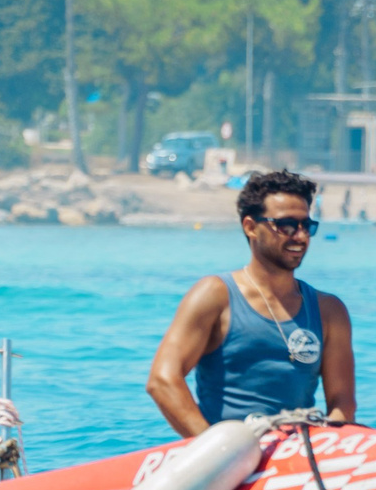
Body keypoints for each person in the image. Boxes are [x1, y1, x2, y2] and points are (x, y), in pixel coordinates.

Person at [146, 168, 356, 438]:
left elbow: (342, 404)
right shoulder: (214, 295)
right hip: (226, 452)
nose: (301, 236)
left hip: (298, 451)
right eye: (286, 225)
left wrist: (326, 443)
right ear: (250, 227)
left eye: (307, 226)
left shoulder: (329, 311)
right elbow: (162, 381)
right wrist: (215, 448)